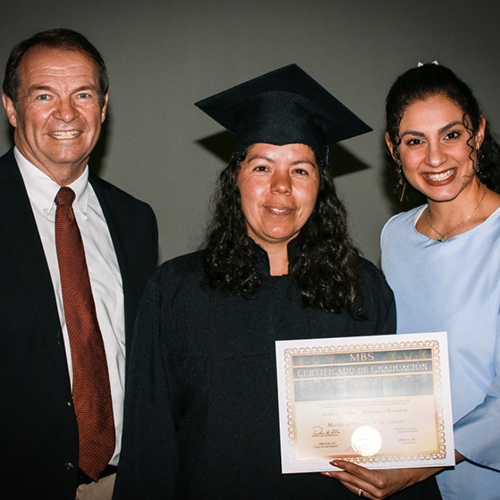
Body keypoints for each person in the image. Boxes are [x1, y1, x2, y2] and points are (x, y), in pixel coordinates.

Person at [113, 64, 440, 499]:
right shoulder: (175, 291)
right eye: (263, 167)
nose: (281, 188)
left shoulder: (361, 289)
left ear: (321, 184)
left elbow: (394, 440)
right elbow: (149, 443)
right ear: (237, 179)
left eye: (301, 170)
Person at [327, 63, 500, 499]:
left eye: (452, 134)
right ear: (393, 147)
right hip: (409, 474)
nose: (436, 158)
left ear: (477, 132)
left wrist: (420, 466)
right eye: (415, 141)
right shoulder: (397, 235)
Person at [0, 29, 158, 500]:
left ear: (103, 107)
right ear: (11, 107)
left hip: (128, 482)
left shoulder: (136, 219)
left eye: (82, 94)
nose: (66, 114)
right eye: (44, 95)